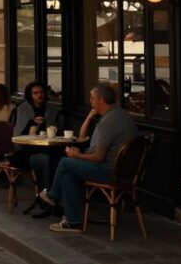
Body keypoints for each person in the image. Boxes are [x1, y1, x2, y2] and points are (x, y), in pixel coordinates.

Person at [39, 83, 138, 233]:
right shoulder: (120, 115)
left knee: (65, 162)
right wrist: (81, 154)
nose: (90, 102)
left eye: (92, 98)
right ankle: (73, 222)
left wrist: (77, 155)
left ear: (101, 100)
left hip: (111, 172)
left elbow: (98, 157)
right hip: (123, 171)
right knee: (68, 174)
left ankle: (54, 196)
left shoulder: (109, 122)